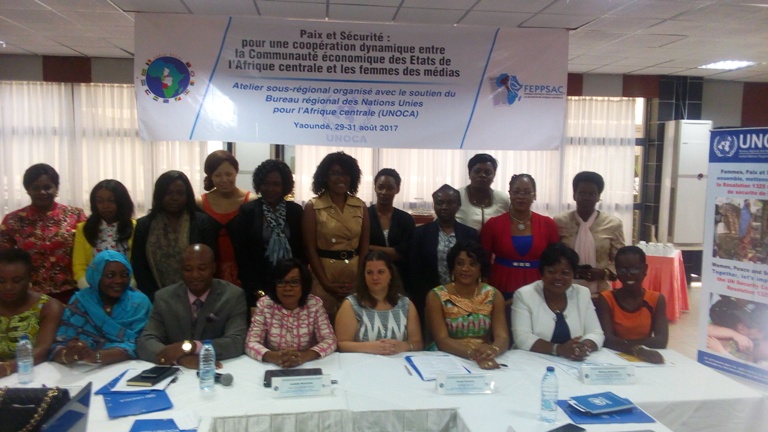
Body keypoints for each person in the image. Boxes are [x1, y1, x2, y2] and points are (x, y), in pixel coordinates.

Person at [137, 244, 247, 368]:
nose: (195, 275)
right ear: (181, 270)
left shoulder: (233, 296)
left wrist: (192, 347)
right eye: (188, 269)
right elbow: (145, 341)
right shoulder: (164, 298)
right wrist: (181, 359)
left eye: (202, 268)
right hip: (176, 371)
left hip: (218, 368)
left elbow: (237, 342)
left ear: (213, 268)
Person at [0, 163, 86, 302]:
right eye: (36, 188)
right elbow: (4, 261)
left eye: (47, 187)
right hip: (27, 295)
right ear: (28, 190)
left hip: (71, 293)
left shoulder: (75, 216)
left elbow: (87, 254)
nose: (42, 192)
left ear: (56, 188)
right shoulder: (13, 220)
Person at [51, 250, 151, 366]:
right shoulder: (81, 301)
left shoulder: (139, 303)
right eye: (110, 275)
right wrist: (68, 354)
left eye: (124, 275)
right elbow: (59, 346)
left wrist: (94, 356)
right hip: (80, 369)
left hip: (127, 368)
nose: (119, 281)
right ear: (96, 277)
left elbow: (140, 345)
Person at [229, 159, 304, 310]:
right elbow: (242, 255)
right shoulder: (248, 211)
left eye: (276, 184)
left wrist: (295, 283)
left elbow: (301, 251)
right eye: (265, 183)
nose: (270, 188)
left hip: (290, 284)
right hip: (258, 284)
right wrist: (256, 289)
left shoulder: (296, 211)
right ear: (259, 185)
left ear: (285, 186)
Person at [303, 152, 370, 319]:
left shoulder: (360, 206)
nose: (341, 178)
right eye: (335, 173)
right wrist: (325, 283)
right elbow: (310, 249)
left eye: (345, 173)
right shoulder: (313, 206)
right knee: (323, 324)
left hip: (353, 273)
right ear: (325, 176)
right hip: (324, 274)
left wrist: (358, 280)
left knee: (352, 324)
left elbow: (364, 247)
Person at [132, 170, 217, 301]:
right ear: (159, 195)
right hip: (155, 298)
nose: (174, 198)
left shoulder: (203, 223)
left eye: (180, 193)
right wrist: (155, 298)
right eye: (168, 193)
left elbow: (211, 263)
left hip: (198, 297)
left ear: (187, 195)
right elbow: (140, 267)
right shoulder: (144, 225)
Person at [511, 243, 604, 361]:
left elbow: (596, 332)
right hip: (532, 362)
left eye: (565, 273)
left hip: (573, 362)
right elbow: (522, 338)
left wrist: (582, 347)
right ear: (542, 273)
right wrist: (559, 349)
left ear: (573, 274)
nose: (558, 277)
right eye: (551, 271)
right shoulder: (524, 295)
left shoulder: (582, 293)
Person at [426, 241, 508, 370]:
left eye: (473, 264)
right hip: (446, 355)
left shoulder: (493, 295)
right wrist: (474, 354)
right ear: (452, 267)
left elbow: (502, 336)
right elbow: (442, 340)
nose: (465, 268)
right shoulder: (436, 295)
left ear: (481, 268)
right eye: (460, 263)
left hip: (484, 355)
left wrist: (493, 349)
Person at [245, 259, 336, 367]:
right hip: (274, 366)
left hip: (307, 365)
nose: (287, 288)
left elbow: (330, 341)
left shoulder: (314, 305)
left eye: (294, 282)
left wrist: (304, 356)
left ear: (304, 285)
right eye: (281, 282)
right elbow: (250, 343)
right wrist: (274, 357)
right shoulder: (265, 305)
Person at [481, 174, 559, 299]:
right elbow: (484, 261)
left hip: (538, 285)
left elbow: (554, 261)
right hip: (500, 284)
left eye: (527, 192)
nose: (521, 197)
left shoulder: (548, 224)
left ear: (535, 195)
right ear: (510, 194)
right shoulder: (493, 224)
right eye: (516, 192)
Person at [409, 185, 479, 324]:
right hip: (429, 298)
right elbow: (414, 271)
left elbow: (475, 268)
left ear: (458, 205)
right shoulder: (420, 234)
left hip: (464, 299)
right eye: (440, 203)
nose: (444, 207)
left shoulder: (470, 234)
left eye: (450, 202)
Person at [335, 251, 423, 354]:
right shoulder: (351, 304)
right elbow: (341, 345)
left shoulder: (406, 304)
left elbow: (418, 344)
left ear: (391, 274)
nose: (375, 277)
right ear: (363, 275)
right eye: (369, 272)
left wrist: (404, 346)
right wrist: (370, 347)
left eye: (381, 272)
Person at [554, 171, 624, 297]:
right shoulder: (560, 221)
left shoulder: (613, 224)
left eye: (592, 194)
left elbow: (620, 260)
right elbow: (552, 257)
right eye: (582, 193)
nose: (586, 198)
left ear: (598, 197)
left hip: (600, 294)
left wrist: (604, 273)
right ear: (574, 195)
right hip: (564, 292)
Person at [596, 246, 667, 364]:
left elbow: (661, 341)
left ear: (645, 270)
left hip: (646, 359)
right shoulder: (606, 299)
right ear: (616, 272)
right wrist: (639, 349)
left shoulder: (656, 299)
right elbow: (607, 340)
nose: (628, 275)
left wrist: (623, 343)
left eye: (634, 269)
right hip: (613, 359)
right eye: (622, 270)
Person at [0, 249, 64, 378]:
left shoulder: (48, 307)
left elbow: (42, 351)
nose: (8, 287)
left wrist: (7, 368)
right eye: (1, 281)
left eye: (17, 280)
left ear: (31, 277)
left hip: (35, 376)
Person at [196, 150, 255, 286]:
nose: (224, 180)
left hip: (243, 268)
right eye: (217, 175)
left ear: (236, 172)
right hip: (210, 269)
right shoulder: (200, 203)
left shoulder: (250, 200)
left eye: (229, 174)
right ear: (210, 176)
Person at [72, 179, 136, 288]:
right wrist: (89, 289)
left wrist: (129, 287)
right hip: (92, 289)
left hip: (127, 288)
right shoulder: (83, 228)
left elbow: (138, 265)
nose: (105, 206)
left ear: (121, 202)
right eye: (100, 201)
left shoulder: (135, 227)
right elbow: (79, 266)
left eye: (111, 201)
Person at [368, 168, 415, 286]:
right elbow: (359, 250)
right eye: (380, 187)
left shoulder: (406, 219)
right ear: (375, 187)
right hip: (371, 277)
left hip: (400, 279)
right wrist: (392, 252)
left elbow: (403, 253)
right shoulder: (364, 216)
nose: (384, 192)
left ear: (397, 189)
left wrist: (370, 247)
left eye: (390, 188)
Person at [455, 153, 510, 231]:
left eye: (487, 172)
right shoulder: (456, 196)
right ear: (469, 173)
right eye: (477, 171)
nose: (482, 175)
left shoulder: (503, 199)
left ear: (494, 175)